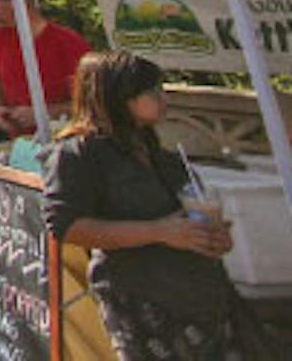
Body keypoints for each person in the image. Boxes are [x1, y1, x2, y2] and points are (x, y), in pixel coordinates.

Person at [45, 51, 269, 360]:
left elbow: (188, 213)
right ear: (122, 98)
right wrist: (159, 232)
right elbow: (66, 227)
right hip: (142, 300)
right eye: (152, 92)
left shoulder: (159, 152)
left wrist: (213, 236)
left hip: (201, 294)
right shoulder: (80, 155)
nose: (163, 99)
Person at [0, 0, 90, 138]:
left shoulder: (67, 43)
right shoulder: (2, 38)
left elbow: (91, 102)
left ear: (19, 0)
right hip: (21, 143)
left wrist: (43, 113)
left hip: (64, 142)